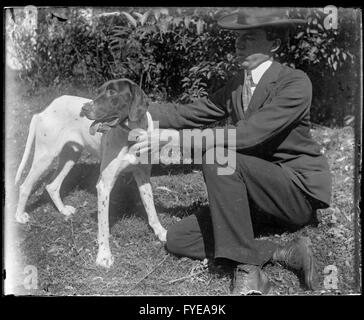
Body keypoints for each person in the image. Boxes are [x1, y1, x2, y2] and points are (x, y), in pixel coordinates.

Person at [130, 8, 332, 294]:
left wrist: (178, 142)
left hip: (293, 194)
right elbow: (189, 113)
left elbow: (249, 134)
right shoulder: (238, 86)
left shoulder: (295, 82)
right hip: (252, 194)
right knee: (178, 239)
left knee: (217, 155)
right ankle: (285, 252)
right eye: (238, 38)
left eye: (249, 37)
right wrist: (131, 112)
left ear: (273, 44)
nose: (239, 44)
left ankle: (249, 272)